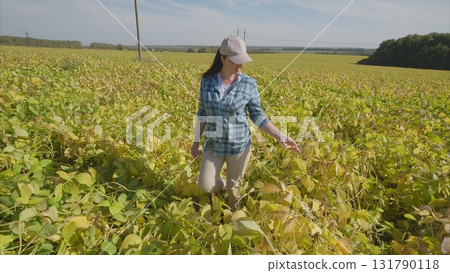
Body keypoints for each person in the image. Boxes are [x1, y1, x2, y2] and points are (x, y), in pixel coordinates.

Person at [191, 35, 300, 211]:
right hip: (213, 144)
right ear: (222, 59)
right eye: (236, 61)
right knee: (205, 185)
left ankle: (232, 222)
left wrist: (281, 136)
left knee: (234, 199)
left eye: (243, 60)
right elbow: (202, 113)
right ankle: (227, 184)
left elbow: (258, 116)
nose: (240, 65)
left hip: (238, 147)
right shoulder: (207, 81)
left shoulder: (249, 84)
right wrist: (195, 142)